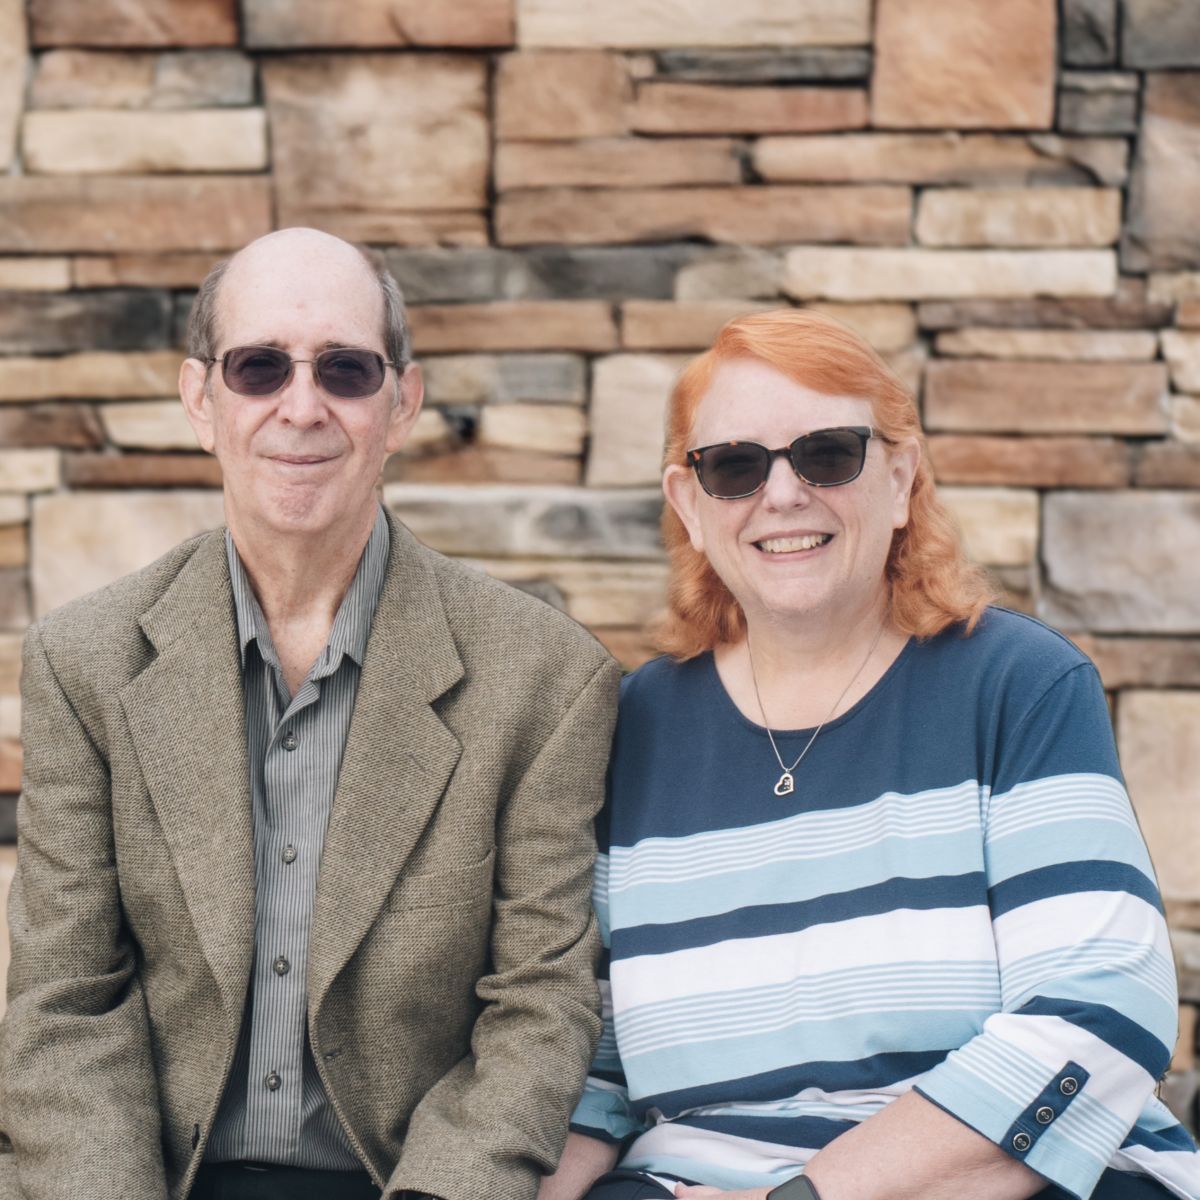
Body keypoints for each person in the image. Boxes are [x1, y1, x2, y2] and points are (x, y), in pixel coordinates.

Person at [0, 228, 620, 1200]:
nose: (301, 406)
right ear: (201, 400)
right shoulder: (86, 662)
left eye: (345, 369)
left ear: (401, 403)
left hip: (404, 1180)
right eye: (258, 367)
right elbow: (67, 1002)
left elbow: (538, 1008)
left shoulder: (544, 679)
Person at [540, 310, 1200, 1200]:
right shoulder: (633, 728)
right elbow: (594, 1058)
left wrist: (806, 1197)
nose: (782, 495)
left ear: (899, 479)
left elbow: (1098, 1008)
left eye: (827, 454)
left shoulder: (1017, 686)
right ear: (690, 505)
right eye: (735, 466)